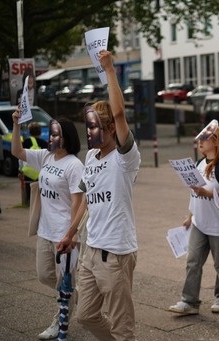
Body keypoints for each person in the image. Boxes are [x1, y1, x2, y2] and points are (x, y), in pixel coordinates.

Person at [57, 50, 141, 340]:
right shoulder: (91, 157)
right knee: (86, 315)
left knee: (122, 326)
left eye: (93, 125)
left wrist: (110, 71)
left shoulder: (125, 157)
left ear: (107, 128)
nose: (88, 131)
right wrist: (70, 234)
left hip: (116, 254)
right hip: (91, 250)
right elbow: (86, 199)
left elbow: (119, 113)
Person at [11, 115, 83, 340]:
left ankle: (60, 319)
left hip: (64, 233)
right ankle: (72, 295)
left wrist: (71, 234)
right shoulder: (46, 157)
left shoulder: (74, 165)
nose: (51, 137)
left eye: (56, 134)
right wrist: (16, 125)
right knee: (44, 275)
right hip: (44, 230)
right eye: (50, 133)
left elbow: (78, 202)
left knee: (63, 281)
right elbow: (17, 152)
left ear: (66, 138)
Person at [168, 122, 219, 315]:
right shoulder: (199, 164)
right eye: (199, 140)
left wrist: (207, 193)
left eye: (204, 139)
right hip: (199, 221)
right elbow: (194, 193)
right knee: (193, 261)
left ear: (215, 141)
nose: (200, 143)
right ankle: (189, 301)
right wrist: (189, 216)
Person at [20, 122, 49, 204]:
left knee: (30, 192)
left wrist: (20, 170)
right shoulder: (44, 143)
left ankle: (29, 203)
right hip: (41, 172)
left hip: (29, 172)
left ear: (29, 131)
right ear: (40, 131)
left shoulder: (26, 142)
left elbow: (21, 158)